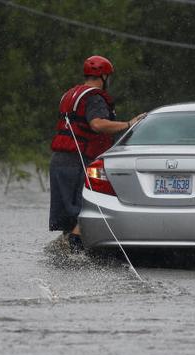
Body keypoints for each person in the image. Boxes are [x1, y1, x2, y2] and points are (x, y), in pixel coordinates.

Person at [49, 55, 145, 252]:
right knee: (89, 210)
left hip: (59, 161)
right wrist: (129, 124)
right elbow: (97, 124)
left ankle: (66, 253)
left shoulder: (70, 94)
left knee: (70, 214)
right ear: (103, 76)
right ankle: (76, 255)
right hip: (79, 160)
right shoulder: (95, 97)